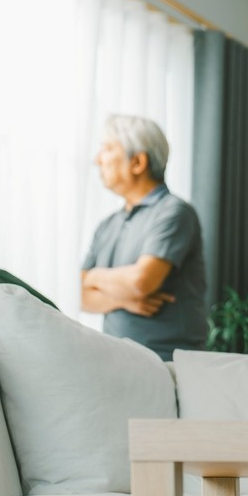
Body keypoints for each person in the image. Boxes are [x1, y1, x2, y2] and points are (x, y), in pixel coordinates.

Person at [81, 114, 207, 361]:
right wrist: (123, 301)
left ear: (138, 162)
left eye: (107, 149)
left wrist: (93, 276)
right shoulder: (107, 225)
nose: (98, 160)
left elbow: (142, 282)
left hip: (169, 363)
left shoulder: (174, 212)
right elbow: (78, 294)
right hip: (115, 360)